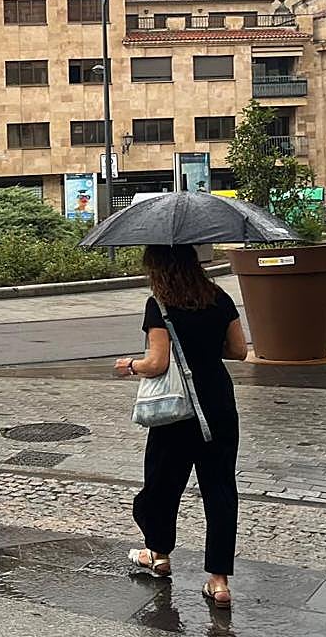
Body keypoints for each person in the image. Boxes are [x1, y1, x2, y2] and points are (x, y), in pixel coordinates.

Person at [115, 244, 248, 609]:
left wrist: (130, 364)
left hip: (177, 413)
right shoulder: (219, 297)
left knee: (162, 484)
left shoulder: (159, 304)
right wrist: (202, 348)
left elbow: (157, 363)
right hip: (218, 407)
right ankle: (218, 582)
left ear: (157, 267)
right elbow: (239, 351)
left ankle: (158, 555)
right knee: (220, 490)